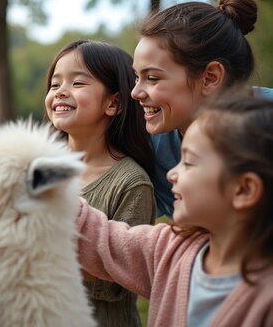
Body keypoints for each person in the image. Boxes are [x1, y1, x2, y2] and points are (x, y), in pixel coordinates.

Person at [76, 95, 273, 326]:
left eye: (188, 162)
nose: (171, 174)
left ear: (244, 189)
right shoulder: (169, 248)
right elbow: (101, 240)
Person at [131, 0, 273, 218]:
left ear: (210, 77)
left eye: (153, 78)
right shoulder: (154, 146)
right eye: (136, 77)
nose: (135, 92)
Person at [45, 40, 156, 326]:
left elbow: (122, 274)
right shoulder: (38, 168)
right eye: (55, 84)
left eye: (78, 83)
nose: (60, 92)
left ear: (113, 103)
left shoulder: (131, 183)